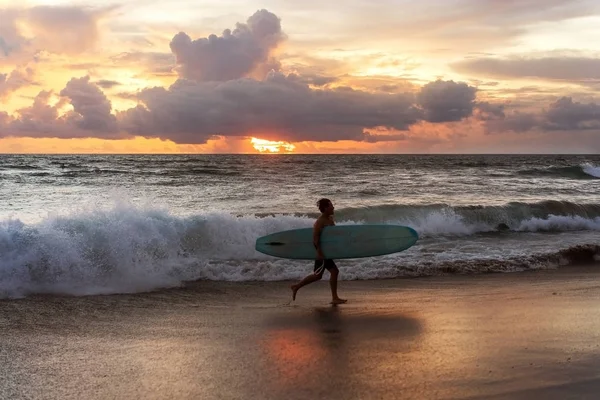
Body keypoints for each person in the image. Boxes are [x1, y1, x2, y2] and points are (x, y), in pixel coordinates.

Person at [291, 198, 347, 304]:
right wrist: (320, 253)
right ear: (326, 208)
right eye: (331, 205)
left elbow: (331, 236)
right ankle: (334, 298)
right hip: (322, 253)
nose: (333, 207)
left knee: (320, 275)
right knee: (329, 273)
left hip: (326, 252)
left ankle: (296, 287)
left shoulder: (329, 219)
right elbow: (315, 238)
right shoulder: (320, 221)